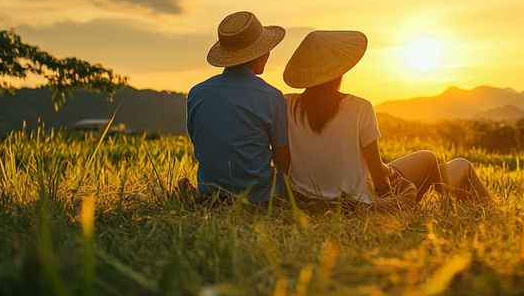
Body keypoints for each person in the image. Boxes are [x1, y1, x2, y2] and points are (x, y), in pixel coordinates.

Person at [281, 30, 489, 205]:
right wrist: (391, 174)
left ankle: (456, 185)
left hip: (306, 200)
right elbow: (379, 180)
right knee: (441, 160)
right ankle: (484, 204)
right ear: (339, 72)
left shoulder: (286, 104)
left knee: (435, 161)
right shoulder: (359, 108)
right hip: (357, 202)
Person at [185, 11, 290, 202]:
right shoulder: (271, 97)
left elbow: (199, 145)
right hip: (259, 197)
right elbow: (283, 159)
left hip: (210, 194)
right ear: (260, 53)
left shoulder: (196, 93)